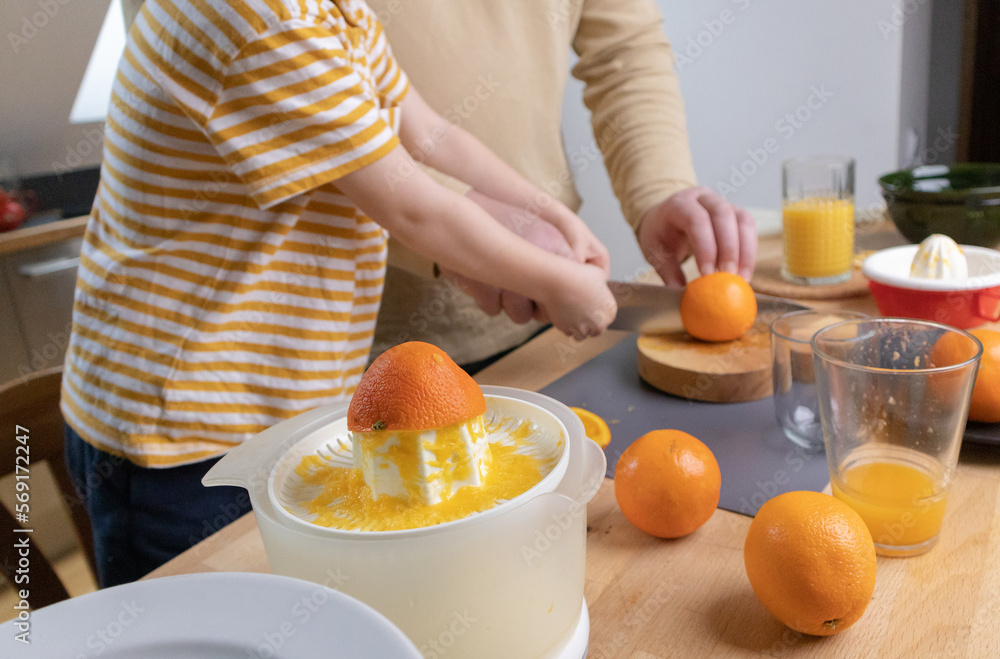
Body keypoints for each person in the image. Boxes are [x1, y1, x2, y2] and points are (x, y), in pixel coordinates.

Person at [63, 0, 616, 587]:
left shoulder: (329, 8)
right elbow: (413, 207)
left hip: (268, 408)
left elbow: (430, 135)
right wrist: (558, 283)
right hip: (181, 433)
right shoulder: (259, 21)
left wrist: (549, 215)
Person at [366, 0, 758, 370]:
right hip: (360, 340)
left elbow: (623, 51)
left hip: (546, 313)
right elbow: (330, 133)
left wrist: (657, 190)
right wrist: (484, 242)